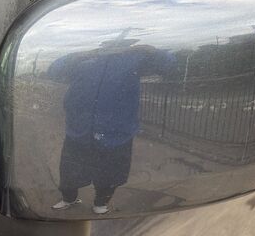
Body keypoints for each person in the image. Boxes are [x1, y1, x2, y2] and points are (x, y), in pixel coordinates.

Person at [48, 34, 174, 214]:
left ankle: (101, 202)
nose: (113, 47)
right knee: (70, 169)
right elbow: (54, 71)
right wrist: (81, 54)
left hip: (116, 130)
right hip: (80, 128)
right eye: (108, 43)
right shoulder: (86, 59)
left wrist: (150, 50)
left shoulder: (135, 59)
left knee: (110, 172)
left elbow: (169, 65)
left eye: (119, 44)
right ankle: (69, 198)